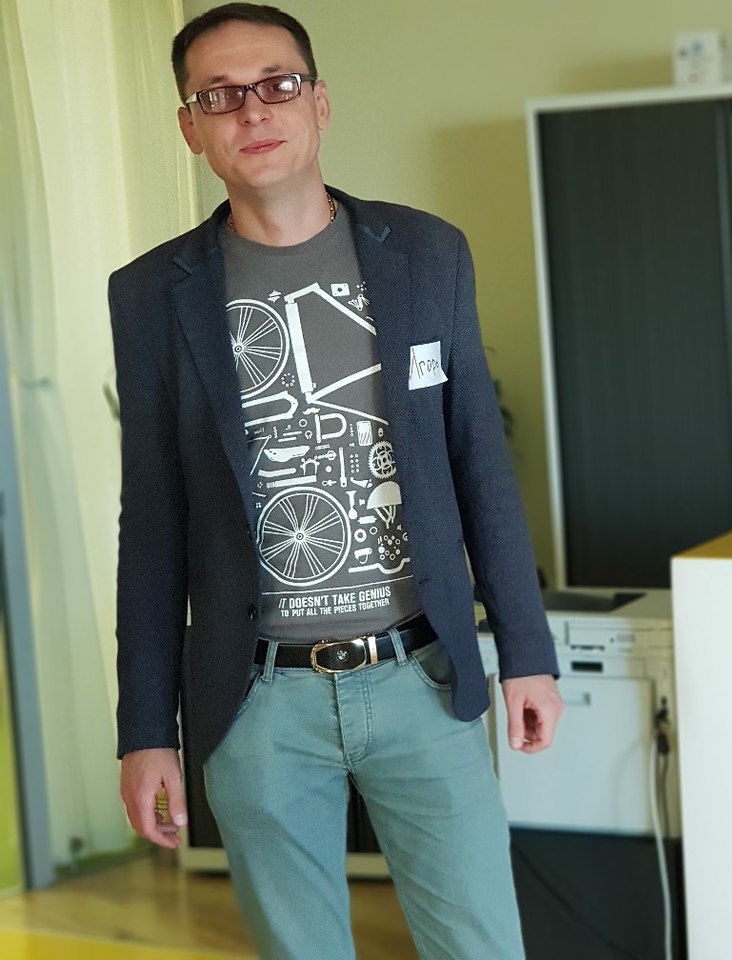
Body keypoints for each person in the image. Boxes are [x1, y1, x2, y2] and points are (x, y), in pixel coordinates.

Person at [109, 5, 562, 957]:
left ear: (318, 103)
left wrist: (527, 648)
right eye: (219, 96)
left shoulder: (426, 253)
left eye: (276, 84)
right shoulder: (150, 293)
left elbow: (478, 458)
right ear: (190, 129)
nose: (252, 111)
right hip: (256, 703)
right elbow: (152, 523)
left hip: (422, 677)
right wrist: (146, 729)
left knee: (481, 944)